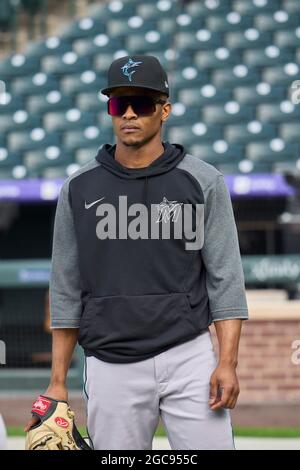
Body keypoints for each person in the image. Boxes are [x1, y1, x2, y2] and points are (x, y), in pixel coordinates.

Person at [25, 55, 248, 450]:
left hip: (189, 354)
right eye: (118, 104)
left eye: (141, 104)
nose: (129, 113)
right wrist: (57, 381)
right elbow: (65, 287)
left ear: (164, 110)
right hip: (111, 362)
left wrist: (227, 362)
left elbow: (225, 277)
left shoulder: (202, 180)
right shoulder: (79, 188)